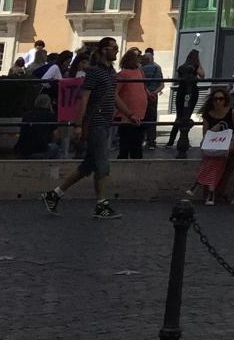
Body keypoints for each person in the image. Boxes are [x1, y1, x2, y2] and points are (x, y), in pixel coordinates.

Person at [42, 37, 121, 219]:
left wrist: (129, 114)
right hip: (96, 122)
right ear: (103, 50)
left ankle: (54, 194)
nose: (117, 51)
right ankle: (101, 205)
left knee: (88, 165)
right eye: (113, 48)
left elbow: (114, 96)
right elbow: (83, 98)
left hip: (105, 121)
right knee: (102, 164)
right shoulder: (93, 72)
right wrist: (78, 125)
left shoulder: (111, 72)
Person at [187, 86, 234, 204]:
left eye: (221, 99)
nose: (218, 101)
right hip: (213, 143)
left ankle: (199, 183)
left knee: (215, 161)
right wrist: (214, 130)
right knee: (214, 162)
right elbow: (205, 134)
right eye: (215, 99)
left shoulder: (232, 112)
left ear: (225, 100)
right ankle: (210, 193)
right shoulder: (208, 114)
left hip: (228, 142)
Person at [115, 47, 148, 161]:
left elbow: (143, 86)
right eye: (137, 57)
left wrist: (148, 93)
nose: (139, 60)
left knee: (137, 144)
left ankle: (136, 166)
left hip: (140, 113)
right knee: (126, 144)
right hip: (126, 114)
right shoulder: (122, 74)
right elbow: (115, 93)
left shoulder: (139, 72)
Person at [171, 51, 202, 157]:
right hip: (191, 91)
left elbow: (177, 78)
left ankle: (172, 140)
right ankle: (181, 142)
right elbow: (202, 75)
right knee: (186, 116)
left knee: (179, 116)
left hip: (181, 91)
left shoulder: (182, 67)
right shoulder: (195, 66)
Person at [140, 47, 164, 153]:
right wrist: (154, 93)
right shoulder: (157, 67)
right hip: (153, 97)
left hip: (142, 95)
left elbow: (140, 84)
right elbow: (162, 84)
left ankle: (141, 139)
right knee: (152, 118)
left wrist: (147, 93)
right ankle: (151, 141)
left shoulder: (140, 68)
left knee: (141, 117)